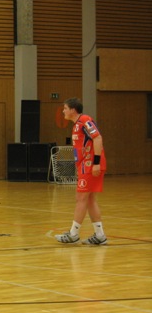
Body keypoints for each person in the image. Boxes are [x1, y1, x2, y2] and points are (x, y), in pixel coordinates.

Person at [55, 98, 108, 245]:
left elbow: (98, 138)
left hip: (91, 165)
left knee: (81, 198)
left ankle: (73, 234)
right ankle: (100, 235)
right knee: (89, 199)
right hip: (85, 166)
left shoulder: (85, 120)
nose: (63, 111)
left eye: (65, 108)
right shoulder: (76, 125)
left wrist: (96, 163)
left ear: (73, 110)